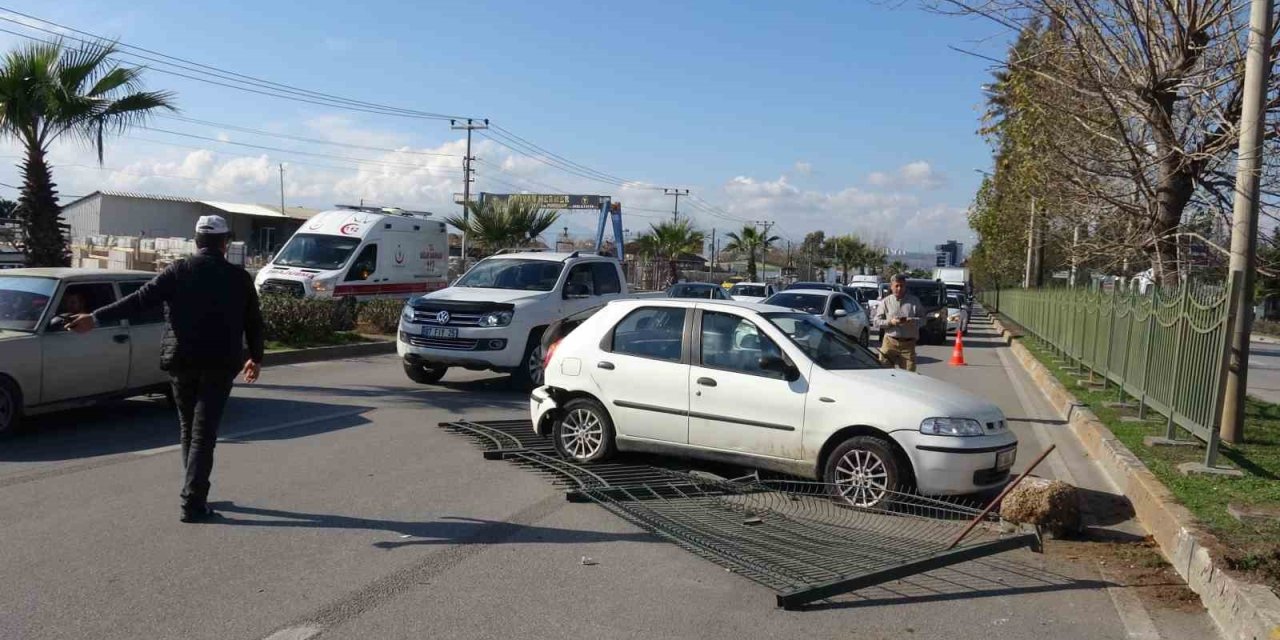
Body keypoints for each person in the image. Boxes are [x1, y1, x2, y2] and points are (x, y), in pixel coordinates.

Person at [68, 215, 264, 523]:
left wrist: (95, 318)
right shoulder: (239, 278)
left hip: (181, 362)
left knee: (190, 430)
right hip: (219, 364)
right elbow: (253, 321)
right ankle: (193, 501)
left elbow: (137, 301)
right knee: (203, 434)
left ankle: (194, 493)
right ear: (225, 243)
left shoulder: (178, 271)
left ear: (197, 241)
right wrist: (256, 356)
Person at [873, 273, 923, 372]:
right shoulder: (885, 302)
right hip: (890, 342)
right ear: (891, 287)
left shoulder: (914, 301)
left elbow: (924, 320)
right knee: (884, 372)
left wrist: (912, 321)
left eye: (902, 286)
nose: (899, 288)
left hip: (908, 345)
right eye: (897, 286)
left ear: (905, 286)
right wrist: (890, 322)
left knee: (909, 375)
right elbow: (876, 322)